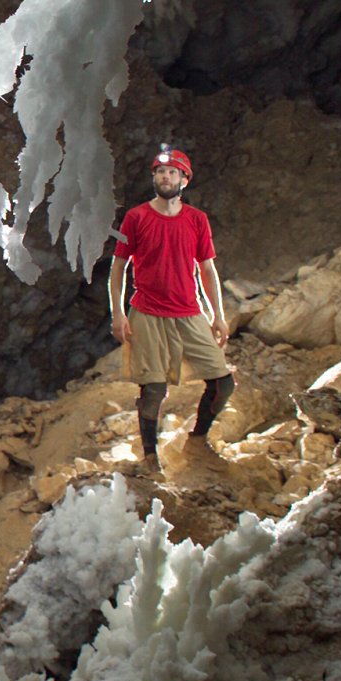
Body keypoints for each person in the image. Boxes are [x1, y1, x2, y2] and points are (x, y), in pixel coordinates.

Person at [108, 145, 234, 471]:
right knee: (153, 390)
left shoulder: (197, 220)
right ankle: (151, 459)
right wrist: (118, 313)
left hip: (189, 312)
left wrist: (217, 314)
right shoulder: (136, 217)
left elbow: (207, 269)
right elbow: (119, 266)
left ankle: (197, 440)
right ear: (155, 177)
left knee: (223, 383)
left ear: (184, 180)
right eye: (162, 172)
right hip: (147, 312)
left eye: (174, 172)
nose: (167, 177)